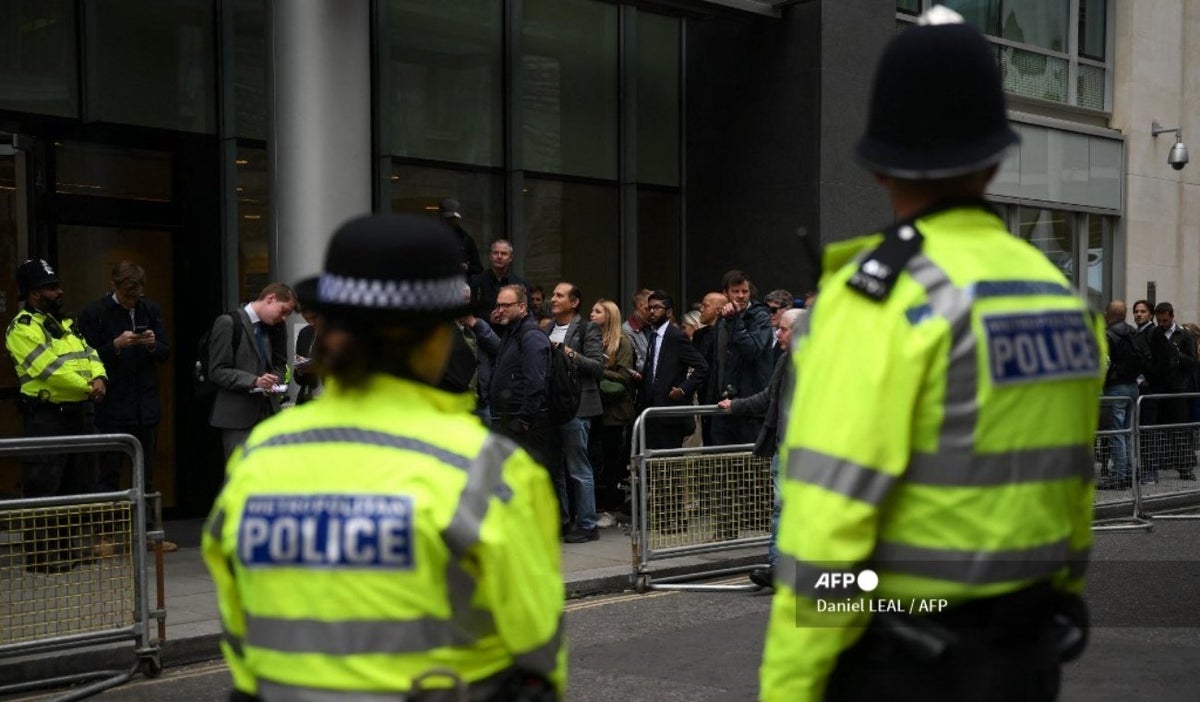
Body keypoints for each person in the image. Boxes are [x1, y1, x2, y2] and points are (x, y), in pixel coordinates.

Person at [761, 9, 1102, 701]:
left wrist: (790, 686)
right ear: (996, 155)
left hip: (908, 661)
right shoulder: (1056, 293)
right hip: (1028, 652)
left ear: (881, 166)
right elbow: (1072, 485)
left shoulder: (877, 303)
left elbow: (830, 527)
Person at [202, 214, 563, 701]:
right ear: (437, 339)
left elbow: (239, 623)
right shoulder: (488, 471)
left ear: (329, 333)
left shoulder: (260, 457)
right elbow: (537, 652)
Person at [6, 258, 108, 572]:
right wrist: (87, 387)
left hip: (77, 415)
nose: (59, 292)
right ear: (33, 293)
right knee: (44, 484)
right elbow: (49, 369)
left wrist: (101, 378)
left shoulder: (65, 324)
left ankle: (66, 551)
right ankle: (41, 557)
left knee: (75, 484)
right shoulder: (22, 328)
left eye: (57, 286)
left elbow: (90, 354)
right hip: (47, 416)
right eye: (51, 288)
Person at [78, 260, 176, 551]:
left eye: (136, 297)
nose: (132, 302)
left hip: (144, 404)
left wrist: (150, 344)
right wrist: (116, 345)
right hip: (111, 405)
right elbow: (84, 358)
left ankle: (147, 534)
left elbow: (164, 352)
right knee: (108, 471)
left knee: (145, 472)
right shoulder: (95, 313)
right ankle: (105, 534)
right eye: (126, 296)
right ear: (114, 286)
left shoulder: (150, 310)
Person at [717, 307, 803, 587]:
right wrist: (736, 405)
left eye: (784, 329)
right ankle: (778, 568)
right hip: (784, 450)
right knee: (781, 508)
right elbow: (768, 397)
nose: (777, 334)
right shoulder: (784, 362)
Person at [636, 291, 708, 534]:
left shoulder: (676, 336)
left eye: (657, 307)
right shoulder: (654, 337)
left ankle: (675, 518)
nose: (651, 311)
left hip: (670, 413)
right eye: (649, 307)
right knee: (657, 468)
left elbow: (701, 367)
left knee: (671, 470)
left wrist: (683, 390)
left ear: (668, 311)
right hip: (653, 412)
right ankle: (663, 517)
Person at [207, 283, 296, 461]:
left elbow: (280, 363)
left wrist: (273, 381)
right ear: (270, 299)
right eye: (283, 310)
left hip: (269, 414)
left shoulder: (276, 327)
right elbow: (217, 370)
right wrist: (254, 381)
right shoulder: (228, 323)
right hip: (238, 418)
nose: (284, 318)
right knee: (241, 474)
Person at [545, 282, 605, 543]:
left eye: (560, 295)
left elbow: (597, 366)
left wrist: (568, 352)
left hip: (578, 406)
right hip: (554, 406)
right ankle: (563, 521)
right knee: (556, 467)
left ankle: (588, 524)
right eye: (553, 294)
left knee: (578, 467)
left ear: (574, 302)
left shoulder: (586, 328)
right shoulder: (547, 328)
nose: (553, 299)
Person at [704, 269, 774, 445]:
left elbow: (753, 350)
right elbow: (717, 363)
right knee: (719, 465)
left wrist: (736, 321)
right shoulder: (723, 319)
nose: (741, 296)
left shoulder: (760, 316)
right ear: (725, 294)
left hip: (750, 410)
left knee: (748, 467)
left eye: (745, 291)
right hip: (722, 405)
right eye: (735, 291)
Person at [489, 284, 550, 465]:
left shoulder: (531, 336)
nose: (500, 310)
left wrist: (524, 420)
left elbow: (536, 382)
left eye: (506, 306)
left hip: (523, 424)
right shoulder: (511, 333)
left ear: (522, 307)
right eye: (498, 305)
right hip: (507, 419)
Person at [590, 299, 635, 513]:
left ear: (609, 316)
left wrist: (598, 369)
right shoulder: (591, 339)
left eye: (598, 311)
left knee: (612, 457)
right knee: (596, 456)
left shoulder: (622, 342)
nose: (592, 314)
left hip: (614, 411)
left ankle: (611, 502)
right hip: (595, 406)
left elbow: (625, 376)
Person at [1145, 302, 1197, 480]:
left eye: (1164, 320)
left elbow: (1191, 361)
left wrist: (1176, 354)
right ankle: (1160, 464)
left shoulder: (1184, 335)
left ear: (1172, 316)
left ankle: (1185, 468)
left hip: (1177, 387)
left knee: (1179, 428)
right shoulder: (1154, 334)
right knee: (1158, 428)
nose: (1161, 323)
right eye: (1158, 320)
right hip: (1158, 385)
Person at [1097, 300, 1143, 489]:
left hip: (1115, 387)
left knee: (1117, 433)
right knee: (1129, 432)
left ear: (1108, 314)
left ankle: (1119, 476)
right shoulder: (1134, 333)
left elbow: (1104, 363)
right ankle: (1130, 474)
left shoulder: (1107, 335)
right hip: (1133, 386)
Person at [438, 197, 484, 276]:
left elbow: (478, 268)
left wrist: (467, 268)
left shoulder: (466, 240)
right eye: (447, 219)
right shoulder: (433, 238)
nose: (450, 222)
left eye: (453, 218)